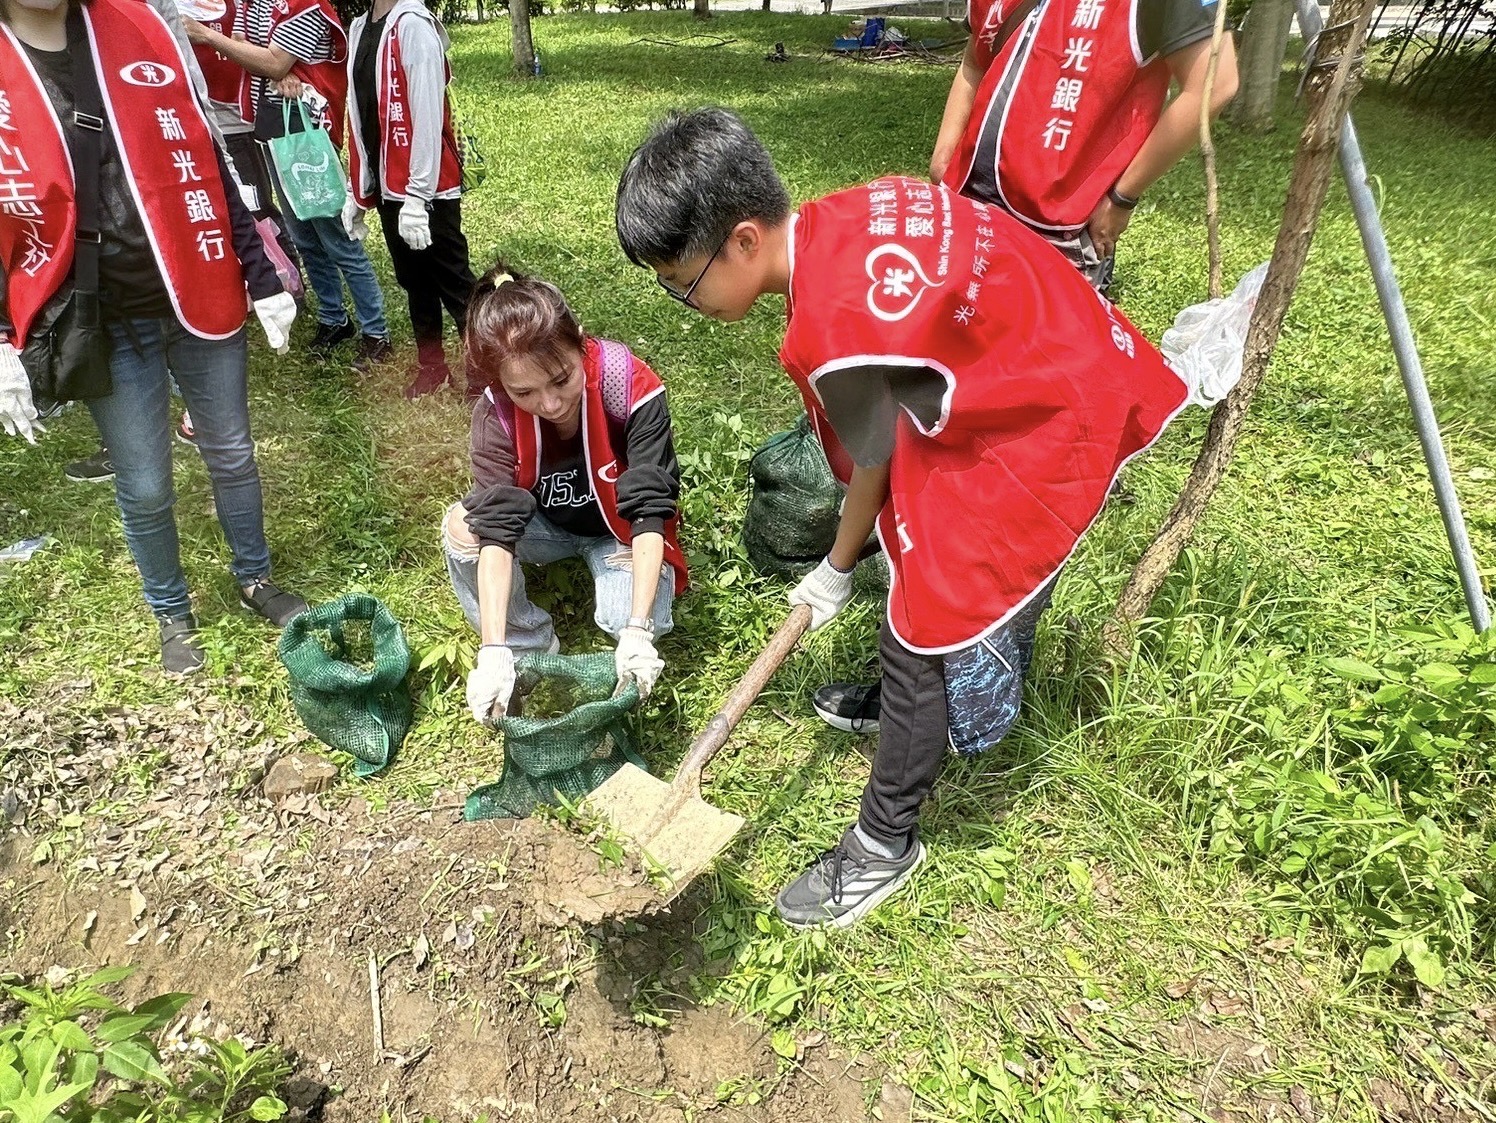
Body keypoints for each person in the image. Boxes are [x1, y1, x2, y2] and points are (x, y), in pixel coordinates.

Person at [616, 108, 1193, 928]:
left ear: (743, 240)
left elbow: (877, 457)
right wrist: (845, 564)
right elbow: (891, 432)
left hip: (1041, 409)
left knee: (921, 616)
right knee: (908, 556)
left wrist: (835, 569)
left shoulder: (836, 326)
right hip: (1040, 352)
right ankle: (901, 701)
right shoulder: (844, 216)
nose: (683, 297)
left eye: (682, 278)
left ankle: (886, 842)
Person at [0, 0, 308, 673]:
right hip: (99, 320)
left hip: (192, 287)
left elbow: (207, 152)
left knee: (231, 450)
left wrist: (259, 275)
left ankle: (255, 578)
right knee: (143, 482)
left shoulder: (136, 22)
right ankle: (172, 611)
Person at [445, 265, 686, 724]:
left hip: (618, 530)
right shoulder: (495, 415)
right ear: (500, 384)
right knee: (462, 527)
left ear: (580, 342)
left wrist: (637, 630)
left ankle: (631, 619)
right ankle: (526, 645)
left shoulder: (629, 384)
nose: (550, 404)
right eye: (525, 392)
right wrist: (493, 649)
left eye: (561, 379)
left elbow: (651, 511)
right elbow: (496, 529)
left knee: (627, 622)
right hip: (545, 526)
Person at [930, 0, 1239, 291]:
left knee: (1040, 343)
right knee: (953, 327)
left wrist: (1121, 198)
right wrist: (944, 153)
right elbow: (975, 60)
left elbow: (1213, 86)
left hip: (1057, 229)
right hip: (964, 200)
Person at [185, 0, 391, 368]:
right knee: (304, 236)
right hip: (274, 130)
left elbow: (273, 61)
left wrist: (213, 39)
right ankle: (334, 318)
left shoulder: (304, 4)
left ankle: (376, 332)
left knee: (336, 237)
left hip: (308, 135)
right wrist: (271, 64)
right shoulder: (258, 4)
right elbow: (249, 49)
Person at [345, 0, 476, 399]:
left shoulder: (414, 24)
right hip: (387, 183)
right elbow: (359, 110)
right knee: (414, 279)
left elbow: (427, 112)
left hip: (426, 188)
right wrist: (359, 188)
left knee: (453, 281)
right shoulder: (359, 27)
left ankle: (487, 375)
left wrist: (417, 197)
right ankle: (432, 366)